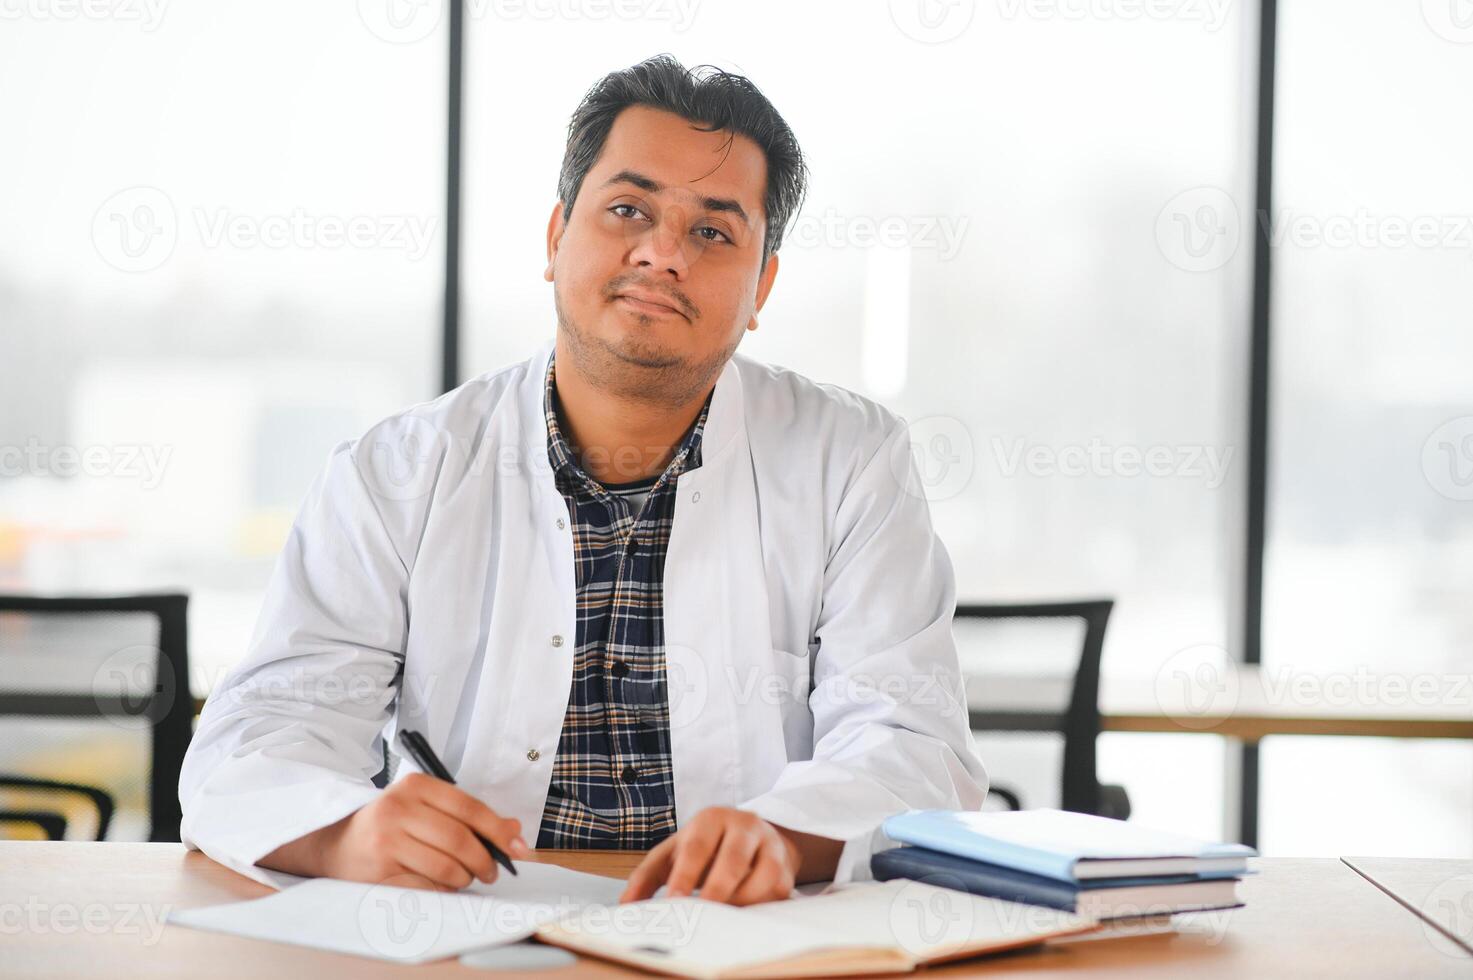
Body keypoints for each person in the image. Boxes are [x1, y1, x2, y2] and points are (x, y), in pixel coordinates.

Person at [179, 54, 986, 907]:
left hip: (743, 933)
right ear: (556, 237)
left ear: (762, 286)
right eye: (628, 209)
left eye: (713, 232)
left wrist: (782, 835)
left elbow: (912, 743)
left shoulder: (850, 459)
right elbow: (256, 735)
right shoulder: (397, 472)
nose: (662, 253)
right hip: (461, 932)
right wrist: (346, 835)